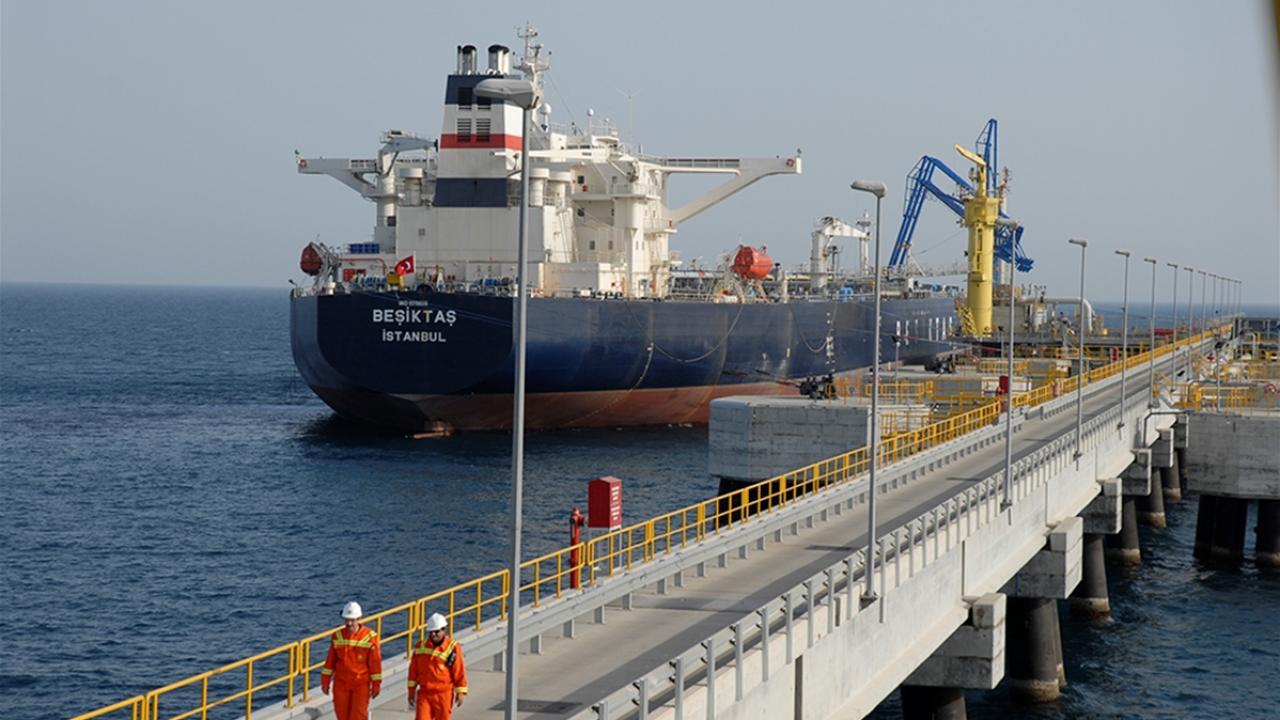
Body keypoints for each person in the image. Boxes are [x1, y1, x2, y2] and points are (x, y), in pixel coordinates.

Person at [321, 601, 382, 720]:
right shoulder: (337, 636)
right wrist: (325, 681)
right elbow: (330, 662)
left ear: (359, 618)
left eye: (352, 620)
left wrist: (376, 685)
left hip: (360, 684)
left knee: (358, 716)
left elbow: (375, 664)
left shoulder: (370, 637)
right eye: (347, 620)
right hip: (341, 684)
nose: (349, 623)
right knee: (342, 716)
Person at [408, 613, 468, 720]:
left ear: (443, 630)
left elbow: (458, 671)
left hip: (443, 694)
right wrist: (411, 691)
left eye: (436, 632)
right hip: (425, 693)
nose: (433, 635)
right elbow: (413, 671)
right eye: (431, 632)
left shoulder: (452, 647)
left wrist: (460, 692)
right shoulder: (420, 646)